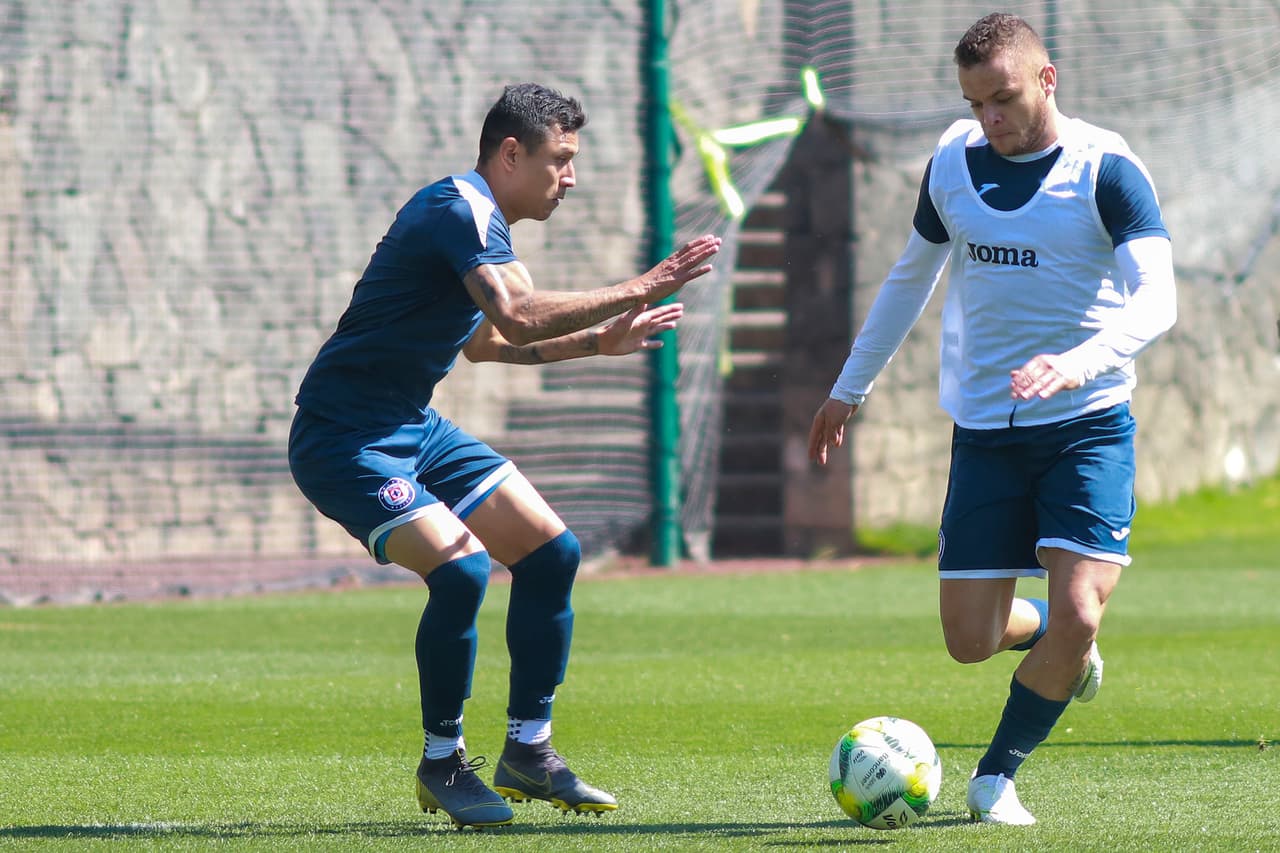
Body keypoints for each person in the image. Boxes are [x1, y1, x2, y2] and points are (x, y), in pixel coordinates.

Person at [288, 82, 721, 829]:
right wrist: (640, 286)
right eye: (561, 159)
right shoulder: (456, 208)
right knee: (460, 571)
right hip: (344, 436)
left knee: (553, 552)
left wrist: (597, 341)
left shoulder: (482, 226)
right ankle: (443, 762)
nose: (571, 177)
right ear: (511, 153)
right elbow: (517, 319)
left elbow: (489, 342)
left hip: (412, 425)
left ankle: (530, 751)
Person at [807, 13, 1175, 825]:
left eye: (1002, 99)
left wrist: (1078, 361)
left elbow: (1158, 297)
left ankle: (996, 775)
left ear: (1047, 80)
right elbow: (910, 278)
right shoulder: (953, 162)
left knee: (1084, 607)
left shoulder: (1106, 169)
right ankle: (1059, 641)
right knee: (970, 640)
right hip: (985, 433)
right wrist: (849, 387)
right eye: (975, 104)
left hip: (1087, 423)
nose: (990, 120)